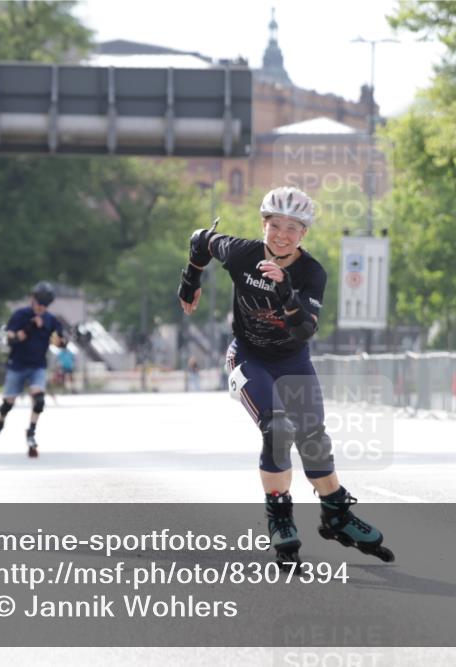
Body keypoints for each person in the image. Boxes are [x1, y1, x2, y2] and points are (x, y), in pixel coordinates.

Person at [177, 186, 393, 567]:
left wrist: (284, 289)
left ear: (303, 234)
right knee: (277, 428)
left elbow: (303, 331)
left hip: (293, 360)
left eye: (293, 228)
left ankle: (336, 513)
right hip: (247, 357)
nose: (282, 234)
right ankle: (279, 516)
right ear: (263, 224)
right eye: (275, 225)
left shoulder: (311, 273)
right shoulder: (241, 252)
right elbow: (201, 241)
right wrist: (190, 281)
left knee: (313, 436)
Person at [0, 282, 67, 458]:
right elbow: (10, 339)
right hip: (17, 364)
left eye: (45, 305)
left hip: (38, 365)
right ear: (33, 300)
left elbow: (60, 341)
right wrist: (26, 330)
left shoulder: (50, 320)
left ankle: (31, 432)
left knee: (39, 400)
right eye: (39, 303)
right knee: (8, 403)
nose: (41, 307)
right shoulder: (20, 315)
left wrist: (62, 341)